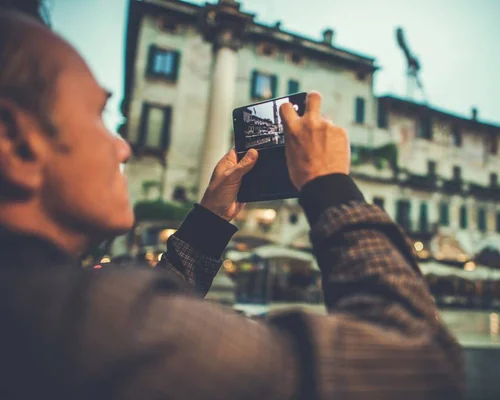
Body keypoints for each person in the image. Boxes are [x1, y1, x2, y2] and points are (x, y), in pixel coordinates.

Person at [0, 9, 464, 400]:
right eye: (98, 115)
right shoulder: (92, 319)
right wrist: (329, 187)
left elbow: (154, 298)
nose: (122, 146)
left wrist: (208, 221)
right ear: (15, 143)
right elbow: (415, 366)